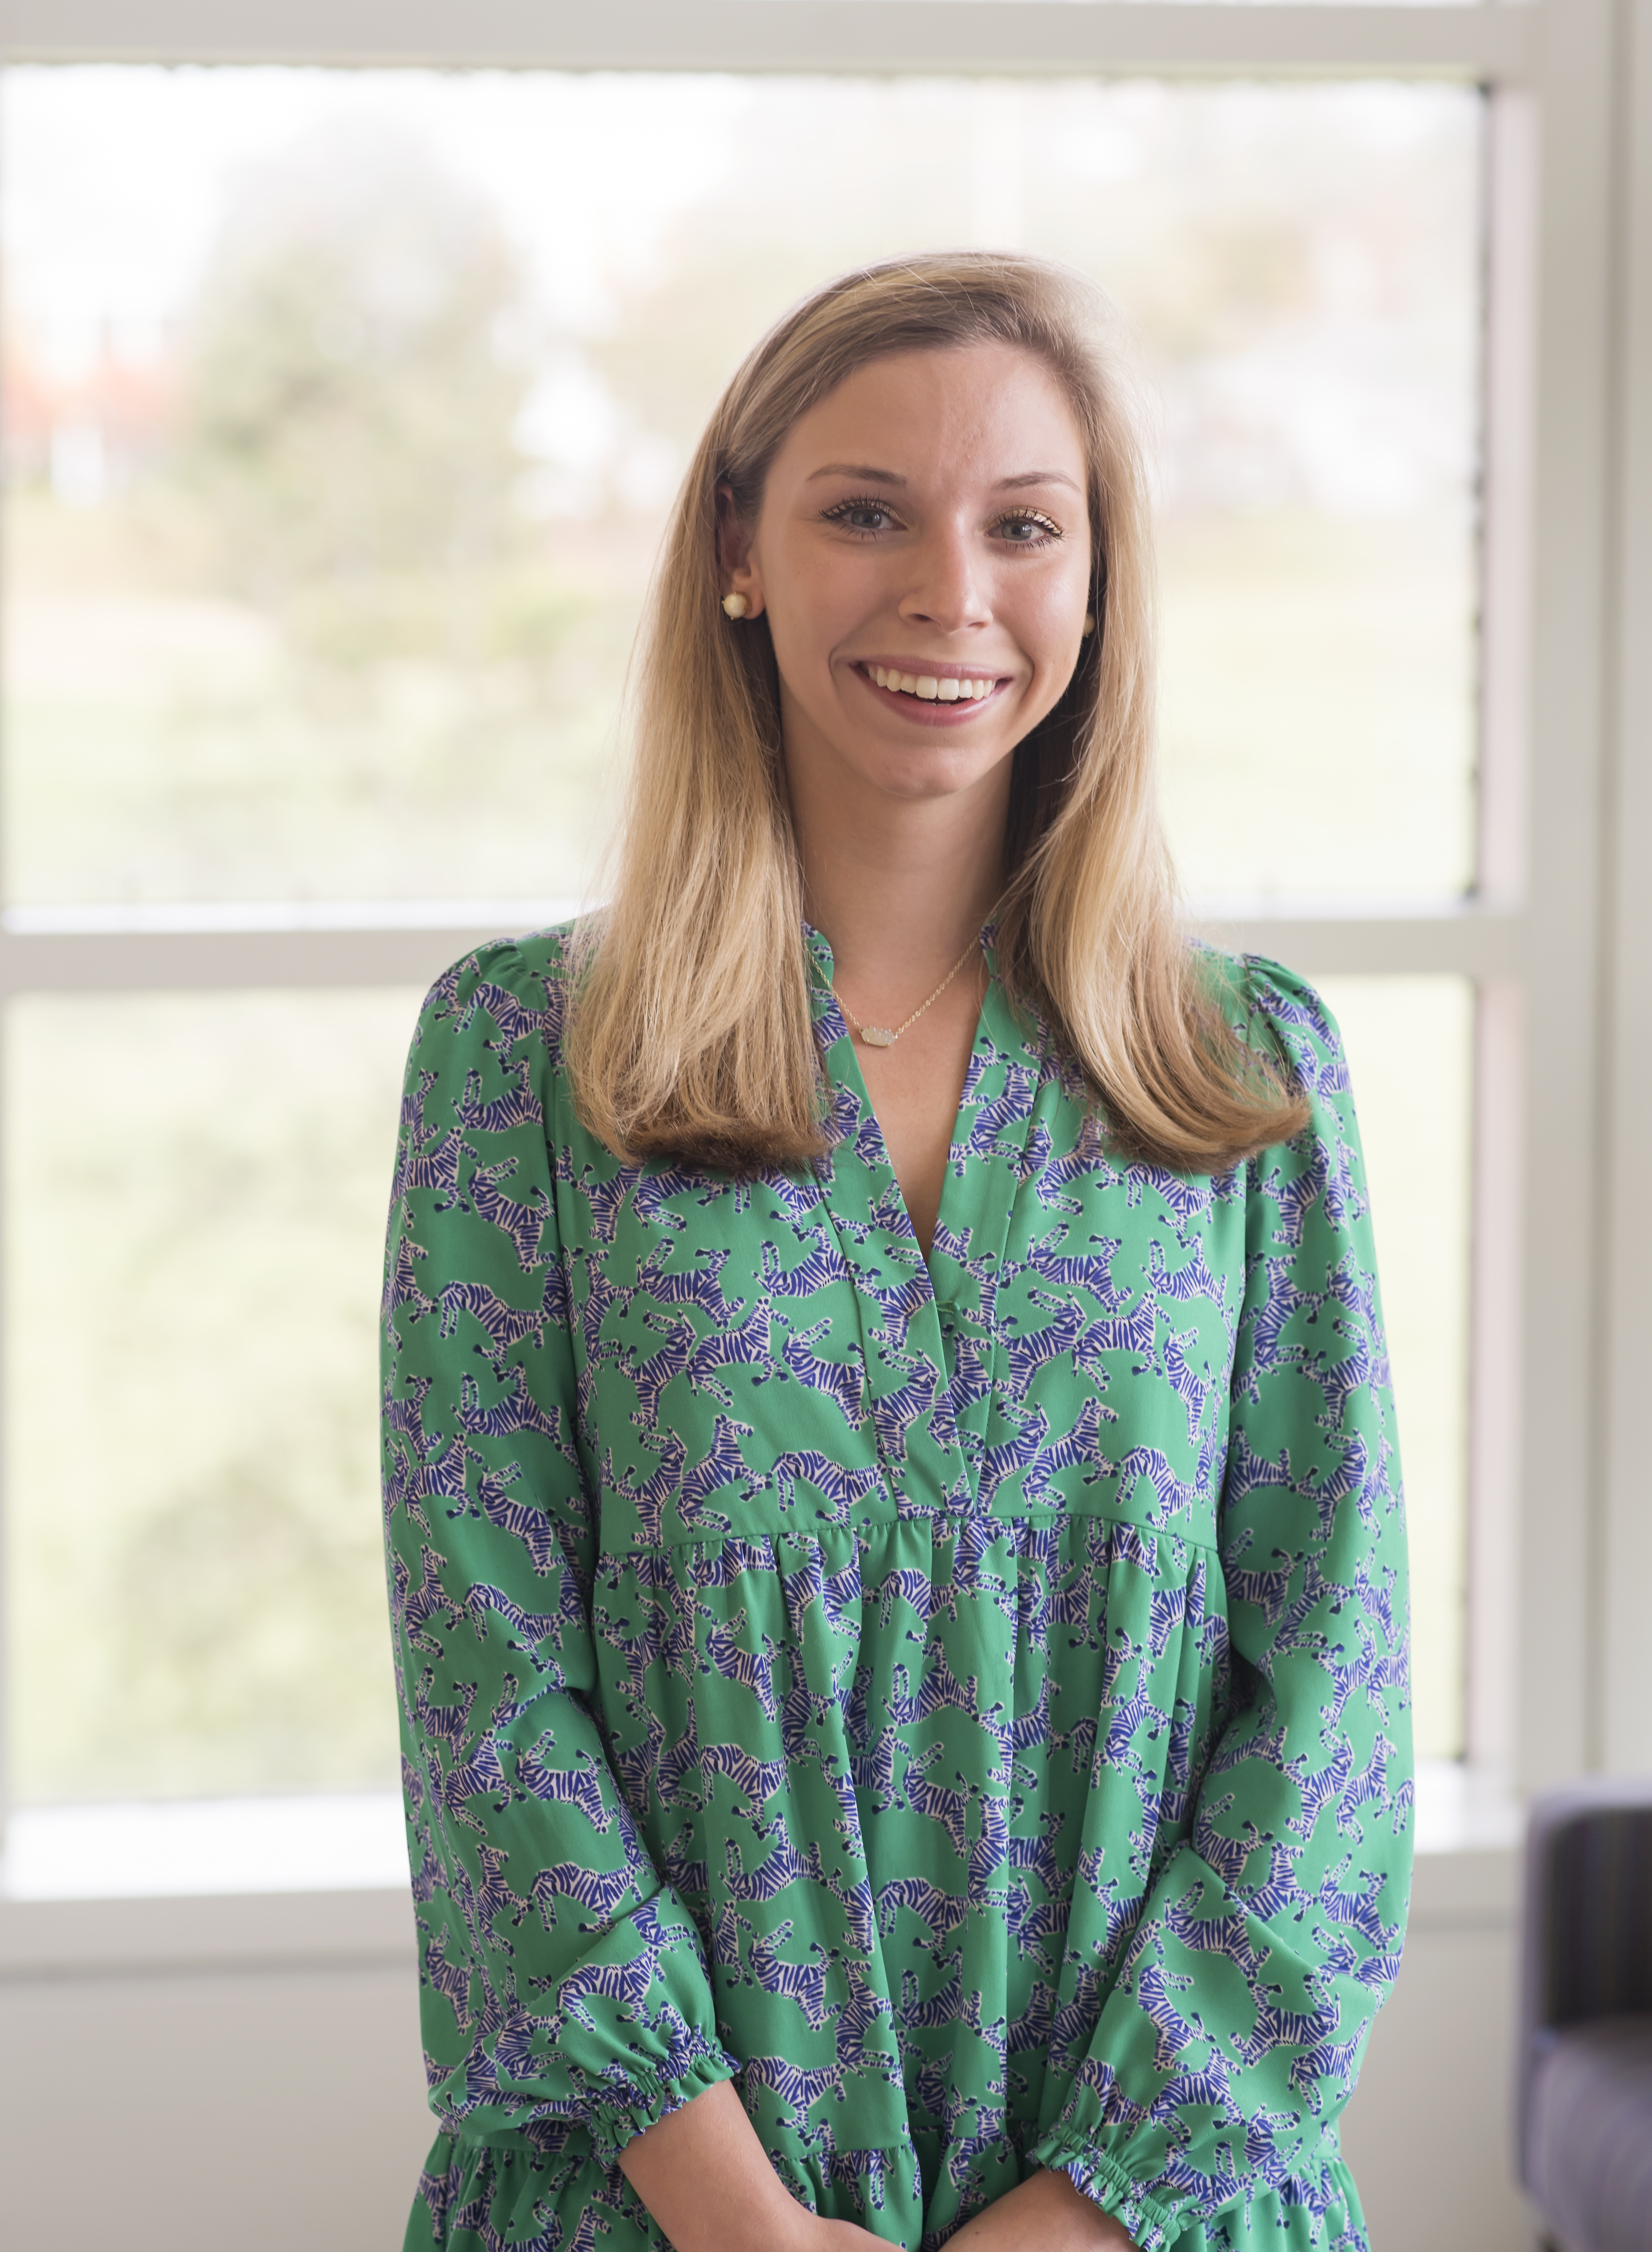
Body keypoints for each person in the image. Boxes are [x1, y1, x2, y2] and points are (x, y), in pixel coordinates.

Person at [381, 252, 1411, 2252]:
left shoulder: (1239, 1070)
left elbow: (1336, 1691)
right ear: (740, 553)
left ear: (1096, 588)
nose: (952, 592)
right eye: (866, 511)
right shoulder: (524, 1058)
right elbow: (481, 1674)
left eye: (1024, 526)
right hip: (658, 2211)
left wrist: (1087, 2212)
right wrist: (738, 2215)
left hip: (1160, 2210)